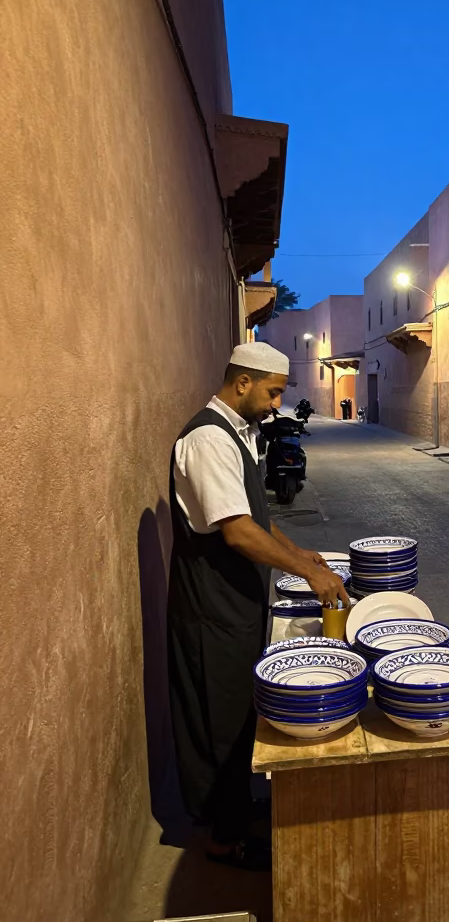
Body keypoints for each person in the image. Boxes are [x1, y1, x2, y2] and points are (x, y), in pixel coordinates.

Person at [166, 342, 349, 870]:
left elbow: (257, 521)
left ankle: (239, 813)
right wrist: (308, 573)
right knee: (218, 722)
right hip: (210, 610)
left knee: (239, 717)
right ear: (241, 382)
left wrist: (299, 553)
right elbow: (240, 532)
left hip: (235, 605)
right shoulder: (207, 439)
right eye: (272, 392)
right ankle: (223, 839)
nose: (276, 404)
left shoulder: (236, 435)